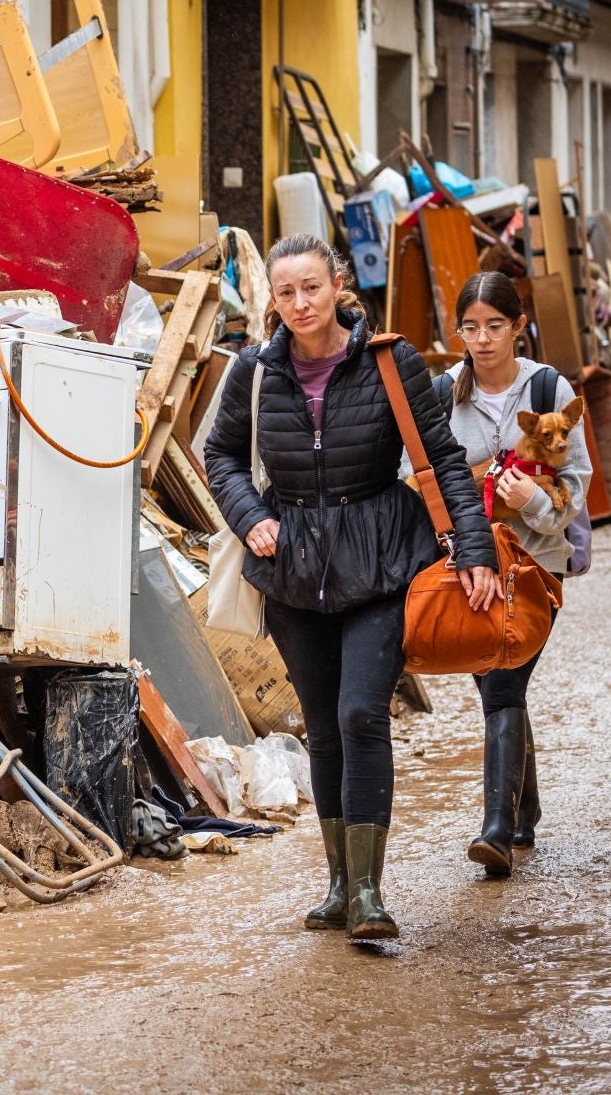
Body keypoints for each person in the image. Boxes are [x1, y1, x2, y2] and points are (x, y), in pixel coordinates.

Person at [204, 234, 498, 941]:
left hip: (382, 564)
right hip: (295, 573)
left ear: (338, 284)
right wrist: (251, 519)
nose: (300, 304)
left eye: (312, 287)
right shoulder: (253, 372)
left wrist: (475, 549)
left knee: (362, 712)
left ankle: (369, 893)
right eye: (285, 293)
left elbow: (445, 462)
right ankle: (337, 885)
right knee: (323, 724)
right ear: (271, 301)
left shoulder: (391, 362)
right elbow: (219, 454)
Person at [436, 271, 590, 877]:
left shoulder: (550, 389)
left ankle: (496, 831)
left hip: (535, 567)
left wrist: (530, 500)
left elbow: (575, 489)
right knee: (496, 683)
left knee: (503, 680)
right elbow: (416, 476)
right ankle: (524, 805)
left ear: (518, 327)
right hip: (471, 565)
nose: (482, 339)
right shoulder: (444, 392)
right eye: (470, 328)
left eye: (495, 326)